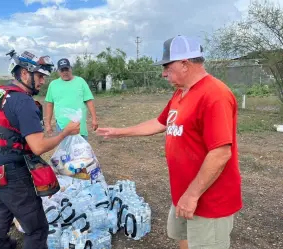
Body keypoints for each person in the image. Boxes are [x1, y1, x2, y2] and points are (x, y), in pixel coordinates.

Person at [96, 35, 242, 249]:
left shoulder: (214, 94)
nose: (164, 73)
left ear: (185, 63)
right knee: (183, 238)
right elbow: (159, 122)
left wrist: (192, 196)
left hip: (208, 200)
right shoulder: (181, 93)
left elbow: (220, 153)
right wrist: (120, 132)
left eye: (167, 66)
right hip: (185, 193)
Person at [0, 50, 80, 249]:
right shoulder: (23, 102)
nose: (43, 81)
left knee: (4, 205)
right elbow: (38, 146)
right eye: (40, 76)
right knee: (37, 228)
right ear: (24, 73)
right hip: (11, 173)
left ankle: (2, 244)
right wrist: (65, 132)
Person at [44, 58, 98, 141]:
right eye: (62, 70)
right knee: (64, 153)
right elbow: (49, 105)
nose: (65, 72)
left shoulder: (80, 81)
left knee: (82, 152)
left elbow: (89, 101)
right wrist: (47, 124)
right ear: (58, 71)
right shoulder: (53, 85)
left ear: (71, 69)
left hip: (79, 127)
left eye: (67, 69)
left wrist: (94, 119)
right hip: (62, 127)